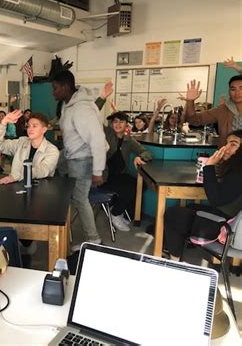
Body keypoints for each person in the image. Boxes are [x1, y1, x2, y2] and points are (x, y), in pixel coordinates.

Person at [164, 130, 242, 261]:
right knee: (191, 206)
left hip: (221, 227)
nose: (226, 148)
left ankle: (174, 261)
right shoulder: (237, 169)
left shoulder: (238, 174)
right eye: (227, 143)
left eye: (233, 144)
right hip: (229, 218)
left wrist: (209, 166)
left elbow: (215, 199)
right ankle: (174, 244)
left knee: (173, 214)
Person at [52, 70, 107, 245]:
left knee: (80, 199)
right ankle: (59, 216)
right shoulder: (68, 104)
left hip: (83, 159)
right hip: (70, 155)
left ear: (65, 86)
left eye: (55, 88)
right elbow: (66, 123)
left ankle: (94, 239)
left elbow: (97, 140)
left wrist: (97, 171)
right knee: (53, 165)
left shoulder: (81, 109)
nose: (53, 92)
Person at [103, 112, 153, 231]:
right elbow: (93, 118)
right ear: (111, 124)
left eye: (121, 121)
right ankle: (115, 213)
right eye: (115, 121)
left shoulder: (128, 140)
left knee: (141, 185)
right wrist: (102, 99)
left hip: (120, 175)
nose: (118, 124)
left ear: (126, 125)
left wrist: (141, 157)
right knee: (129, 189)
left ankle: (119, 211)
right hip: (105, 176)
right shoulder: (106, 135)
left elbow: (146, 152)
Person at [0, 110, 59, 184]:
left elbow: (43, 170)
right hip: (18, 187)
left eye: (34, 126)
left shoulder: (52, 150)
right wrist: (3, 123)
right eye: (28, 126)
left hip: (41, 189)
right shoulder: (21, 142)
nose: (30, 129)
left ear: (44, 129)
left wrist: (16, 176)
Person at [181, 77, 242, 147]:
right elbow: (194, 120)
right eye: (233, 89)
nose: (237, 92)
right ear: (229, 91)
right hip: (228, 155)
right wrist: (190, 101)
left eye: (241, 88)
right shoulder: (222, 110)